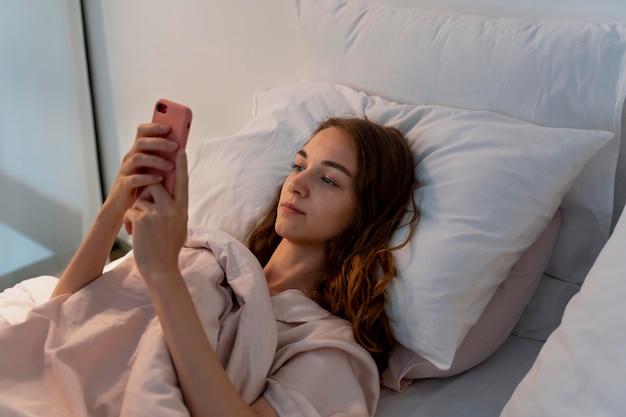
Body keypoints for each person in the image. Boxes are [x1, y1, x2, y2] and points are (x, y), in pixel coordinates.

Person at [50, 116, 419, 416]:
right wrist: (115, 205)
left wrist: (164, 274)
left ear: (366, 213)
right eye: (298, 165)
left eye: (327, 179)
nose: (297, 184)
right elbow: (64, 317)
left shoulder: (328, 349)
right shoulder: (208, 256)